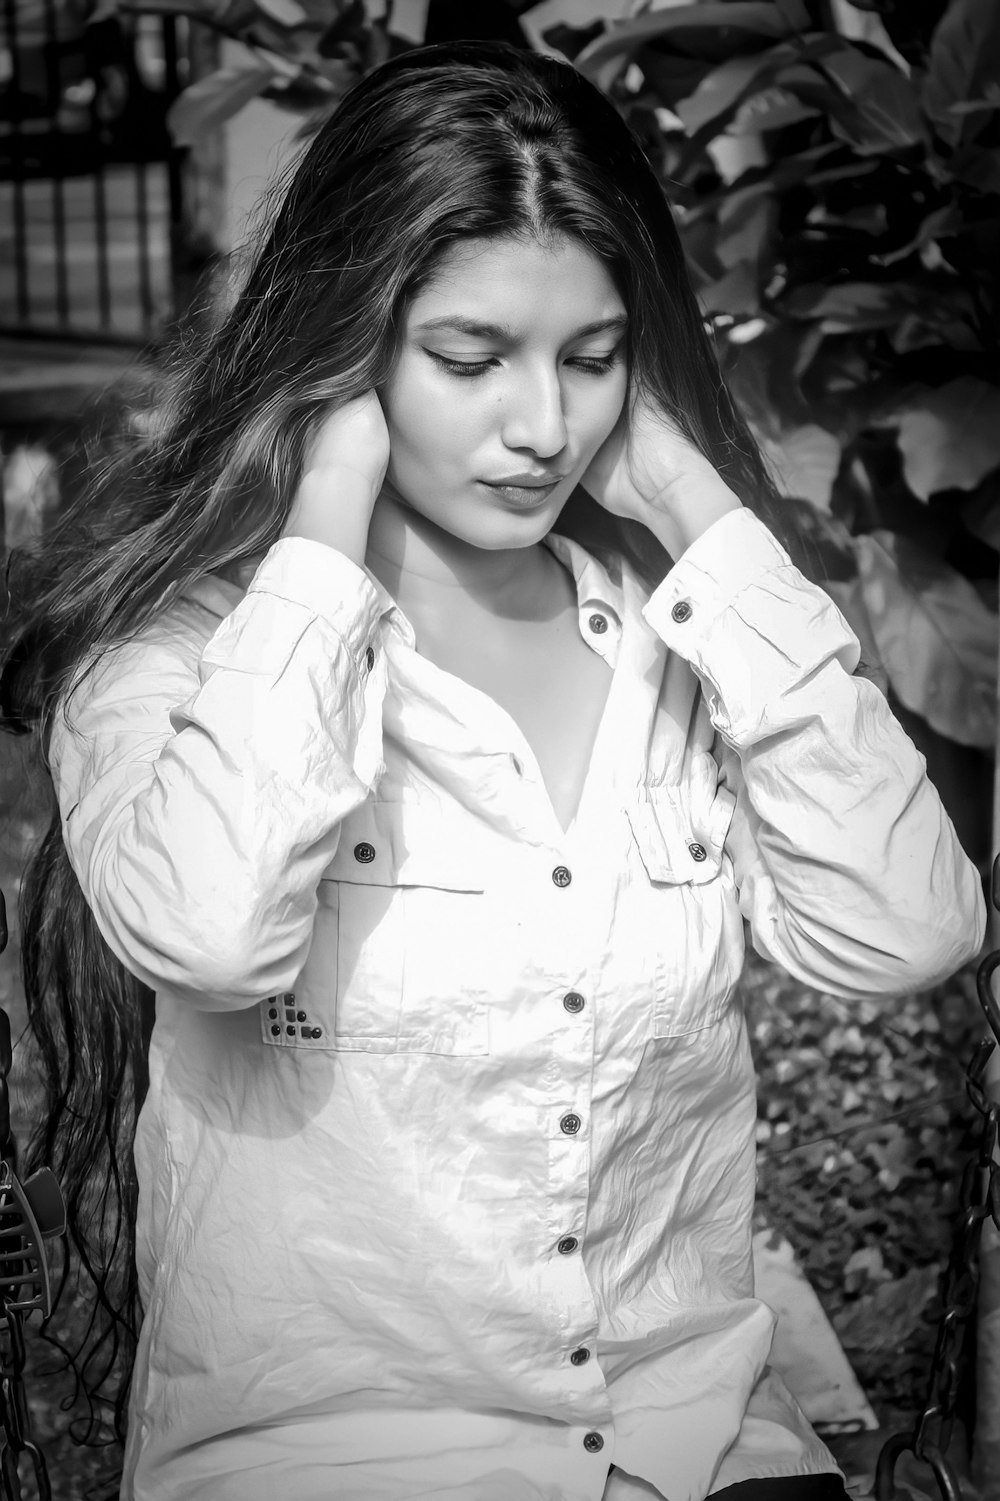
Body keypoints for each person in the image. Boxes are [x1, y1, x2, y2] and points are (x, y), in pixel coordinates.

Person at [0, 38, 985, 1501]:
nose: (543, 427)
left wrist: (690, 498)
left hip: (687, 1444)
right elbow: (207, 932)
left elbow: (911, 928)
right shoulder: (187, 659)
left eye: (592, 360)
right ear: (350, 343)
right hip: (335, 1462)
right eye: (471, 358)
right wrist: (325, 521)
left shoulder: (675, 645)